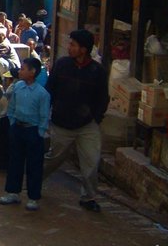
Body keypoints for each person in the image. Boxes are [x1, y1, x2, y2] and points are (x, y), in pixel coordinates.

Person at [44, 29, 109, 213]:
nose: (69, 47)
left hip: (87, 125)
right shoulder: (62, 65)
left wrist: (96, 118)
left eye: (73, 44)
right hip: (61, 123)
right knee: (53, 159)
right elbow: (50, 90)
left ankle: (89, 197)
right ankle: (33, 182)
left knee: (91, 162)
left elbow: (103, 98)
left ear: (83, 49)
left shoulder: (97, 71)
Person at [0, 57, 50, 212]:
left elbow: (44, 115)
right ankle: (13, 192)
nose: (20, 71)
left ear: (32, 72)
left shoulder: (42, 94)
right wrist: (13, 122)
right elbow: (12, 106)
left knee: (34, 165)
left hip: (33, 130)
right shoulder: (18, 87)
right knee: (15, 161)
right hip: (18, 128)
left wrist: (40, 132)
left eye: (23, 68)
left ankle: (33, 197)